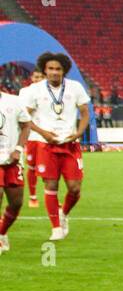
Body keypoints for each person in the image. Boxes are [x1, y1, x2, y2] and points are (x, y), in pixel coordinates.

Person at [23, 52, 89, 241]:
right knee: (51, 184)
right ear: (44, 69)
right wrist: (43, 133)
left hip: (70, 144)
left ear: (64, 70)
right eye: (50, 69)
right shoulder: (34, 90)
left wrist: (78, 133)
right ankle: (56, 228)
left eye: (58, 69)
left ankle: (63, 214)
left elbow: (85, 113)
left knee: (75, 188)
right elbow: (25, 117)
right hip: (46, 145)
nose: (54, 72)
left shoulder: (75, 87)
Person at [0, 85, 24, 253]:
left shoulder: (14, 101)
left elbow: (27, 125)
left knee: (16, 203)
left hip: (12, 160)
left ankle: (2, 232)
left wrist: (18, 149)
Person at [18, 68, 43, 207]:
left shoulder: (50, 92)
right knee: (32, 166)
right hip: (33, 134)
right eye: (36, 77)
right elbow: (21, 111)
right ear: (32, 78)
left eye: (40, 77)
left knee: (50, 168)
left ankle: (51, 196)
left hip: (47, 135)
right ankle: (33, 197)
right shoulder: (25, 92)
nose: (38, 79)